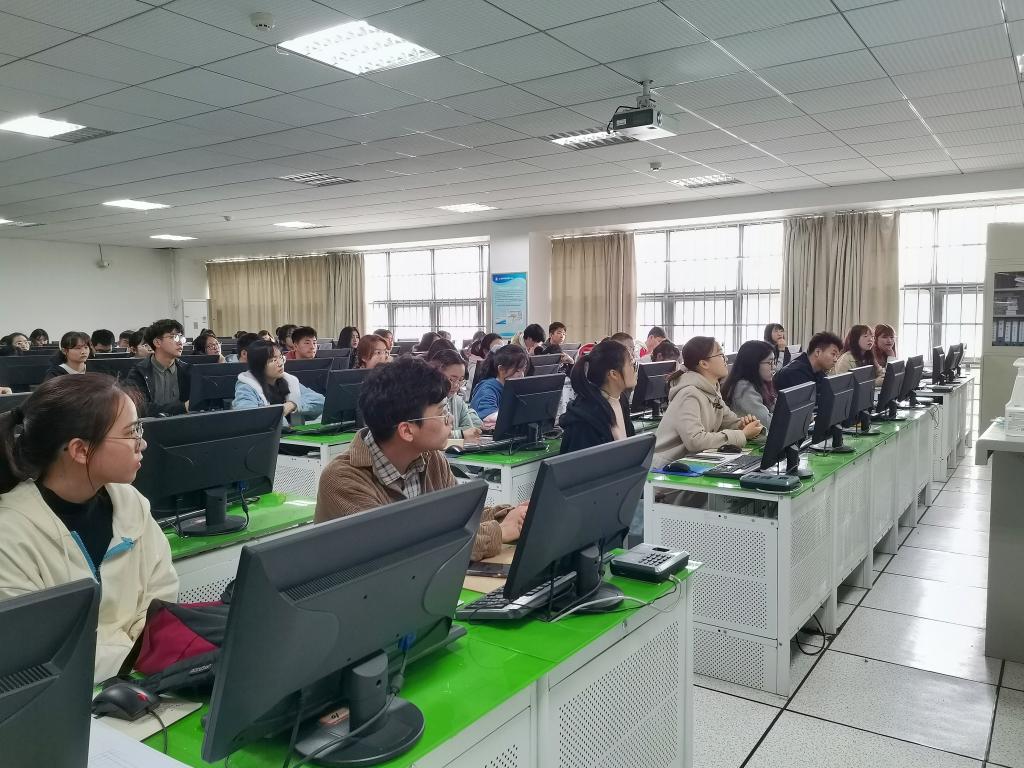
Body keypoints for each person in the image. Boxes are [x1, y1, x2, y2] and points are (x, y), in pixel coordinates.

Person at [0, 374, 178, 682]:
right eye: (131, 433)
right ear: (80, 450)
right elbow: (41, 652)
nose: (143, 443)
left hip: (140, 679)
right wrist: (135, 654)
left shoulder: (131, 504)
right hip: (62, 697)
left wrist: (143, 656)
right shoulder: (10, 534)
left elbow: (162, 592)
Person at [315, 358, 526, 560]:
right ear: (407, 431)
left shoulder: (430, 458)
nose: (450, 419)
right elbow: (407, 549)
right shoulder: (342, 480)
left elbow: (458, 516)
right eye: (442, 412)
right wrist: (500, 532)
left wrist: (512, 515)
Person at [653, 337, 764, 466]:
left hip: (693, 463)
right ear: (704, 364)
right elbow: (695, 440)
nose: (726, 359)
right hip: (667, 468)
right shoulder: (689, 394)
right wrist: (742, 434)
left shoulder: (711, 391)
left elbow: (730, 421)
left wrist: (745, 425)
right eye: (721, 355)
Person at [559, 339, 637, 454]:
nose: (635, 369)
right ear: (613, 374)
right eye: (631, 364)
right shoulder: (586, 417)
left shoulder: (621, 400)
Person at [232, 340, 324, 424]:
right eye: (273, 360)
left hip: (293, 433)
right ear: (258, 365)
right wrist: (277, 411)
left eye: (280, 357)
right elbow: (247, 416)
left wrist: (292, 405)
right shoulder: (247, 386)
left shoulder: (289, 380)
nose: (280, 364)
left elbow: (320, 401)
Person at [125, 319, 190, 416]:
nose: (180, 342)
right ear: (157, 342)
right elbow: (139, 407)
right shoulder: (139, 372)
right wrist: (182, 407)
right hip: (151, 425)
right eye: (174, 337)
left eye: (181, 337)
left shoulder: (188, 371)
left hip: (185, 423)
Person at [428, 349, 482, 441]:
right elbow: (429, 435)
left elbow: (471, 429)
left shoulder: (457, 400)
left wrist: (455, 433)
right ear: (436, 374)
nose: (456, 385)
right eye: (451, 379)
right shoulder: (427, 401)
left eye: (461, 380)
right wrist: (460, 434)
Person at [722, 340, 777, 429]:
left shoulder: (759, 383)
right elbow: (767, 423)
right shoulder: (743, 388)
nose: (774, 367)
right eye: (769, 363)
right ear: (753, 364)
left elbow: (778, 407)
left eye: (774, 362)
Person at [471, 344, 529, 422]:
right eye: (517, 371)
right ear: (501, 369)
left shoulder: (511, 388)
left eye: (523, 370)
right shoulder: (487, 389)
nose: (522, 375)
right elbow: (489, 417)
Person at [773, 331, 843, 392]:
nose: (835, 360)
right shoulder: (794, 373)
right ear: (818, 352)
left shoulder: (819, 372)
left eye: (837, 356)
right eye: (833, 354)